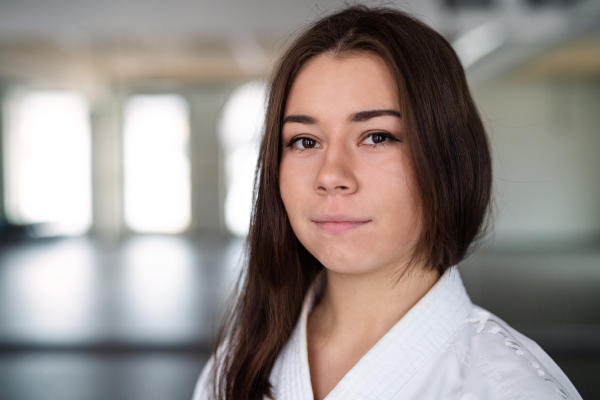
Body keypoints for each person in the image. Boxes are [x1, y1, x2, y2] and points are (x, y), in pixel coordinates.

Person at [193, 5, 582, 400]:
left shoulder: (509, 388)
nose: (331, 176)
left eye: (377, 136)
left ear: (449, 157)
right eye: (305, 141)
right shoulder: (236, 364)